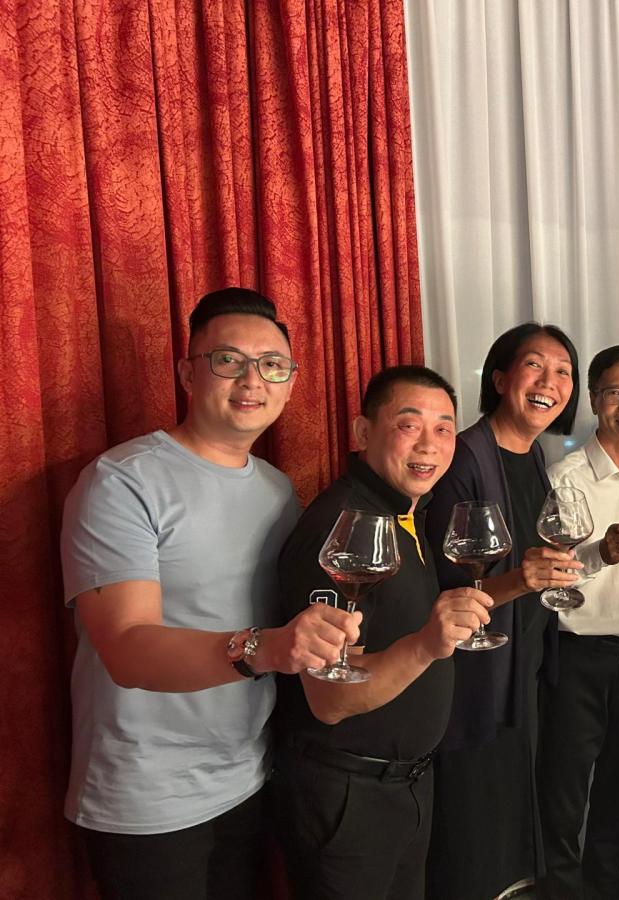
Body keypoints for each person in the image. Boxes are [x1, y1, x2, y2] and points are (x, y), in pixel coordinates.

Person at [59, 288, 360, 900]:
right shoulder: (122, 481)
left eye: (272, 365)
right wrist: (268, 648)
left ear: (291, 382)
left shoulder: (278, 490)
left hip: (250, 774)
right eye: (228, 360)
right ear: (187, 373)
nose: (252, 380)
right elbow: (126, 649)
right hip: (148, 795)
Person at [271, 365, 494, 899]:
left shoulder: (405, 514)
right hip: (347, 795)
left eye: (443, 428)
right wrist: (427, 646)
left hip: (405, 783)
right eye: (408, 425)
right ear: (362, 432)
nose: (429, 444)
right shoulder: (343, 530)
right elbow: (328, 699)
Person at [424, 322, 583, 900]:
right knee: (474, 821)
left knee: (510, 817)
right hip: (475, 673)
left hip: (523, 661)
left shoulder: (533, 455)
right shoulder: (464, 457)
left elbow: (536, 554)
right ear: (499, 378)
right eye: (534, 365)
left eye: (563, 372)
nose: (549, 382)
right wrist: (524, 579)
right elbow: (445, 586)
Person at [538, 345, 619, 900]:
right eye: (615, 391)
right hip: (579, 656)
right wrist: (599, 553)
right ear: (593, 399)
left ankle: (607, 881)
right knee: (565, 785)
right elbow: (548, 574)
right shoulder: (565, 477)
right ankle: (561, 888)